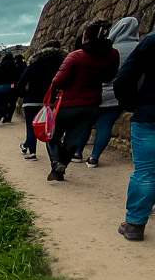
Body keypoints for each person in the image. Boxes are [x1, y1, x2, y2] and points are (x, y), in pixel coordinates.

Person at [45, 18, 119, 181]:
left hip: (67, 104)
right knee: (73, 138)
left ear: (85, 36)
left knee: (52, 136)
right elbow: (109, 77)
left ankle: (57, 163)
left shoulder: (75, 56)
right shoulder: (113, 55)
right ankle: (60, 171)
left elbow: (58, 81)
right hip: (91, 104)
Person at [75, 17, 140, 166]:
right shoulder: (139, 48)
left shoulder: (107, 48)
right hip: (118, 95)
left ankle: (77, 153)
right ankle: (94, 157)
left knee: (86, 124)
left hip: (97, 92)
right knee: (106, 125)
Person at [114, 30, 155, 240]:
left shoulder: (151, 41)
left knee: (146, 172)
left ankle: (135, 225)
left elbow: (124, 78)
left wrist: (133, 105)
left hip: (150, 115)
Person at [15, 40, 66, 161]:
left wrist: (25, 95)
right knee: (52, 128)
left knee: (31, 126)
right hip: (53, 101)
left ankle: (32, 152)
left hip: (32, 99)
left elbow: (20, 84)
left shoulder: (35, 64)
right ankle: (56, 157)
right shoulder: (63, 65)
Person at [0, 53, 20, 126]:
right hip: (11, 86)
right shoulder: (15, 67)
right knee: (7, 102)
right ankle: (6, 115)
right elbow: (18, 78)